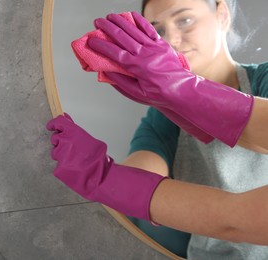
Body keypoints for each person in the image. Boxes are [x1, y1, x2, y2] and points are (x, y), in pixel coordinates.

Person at [46, 0, 268, 259]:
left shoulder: (262, 79)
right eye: (158, 31)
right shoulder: (163, 117)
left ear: (222, 14)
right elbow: (141, 173)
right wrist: (105, 176)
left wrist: (180, 88)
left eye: (184, 19)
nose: (172, 39)